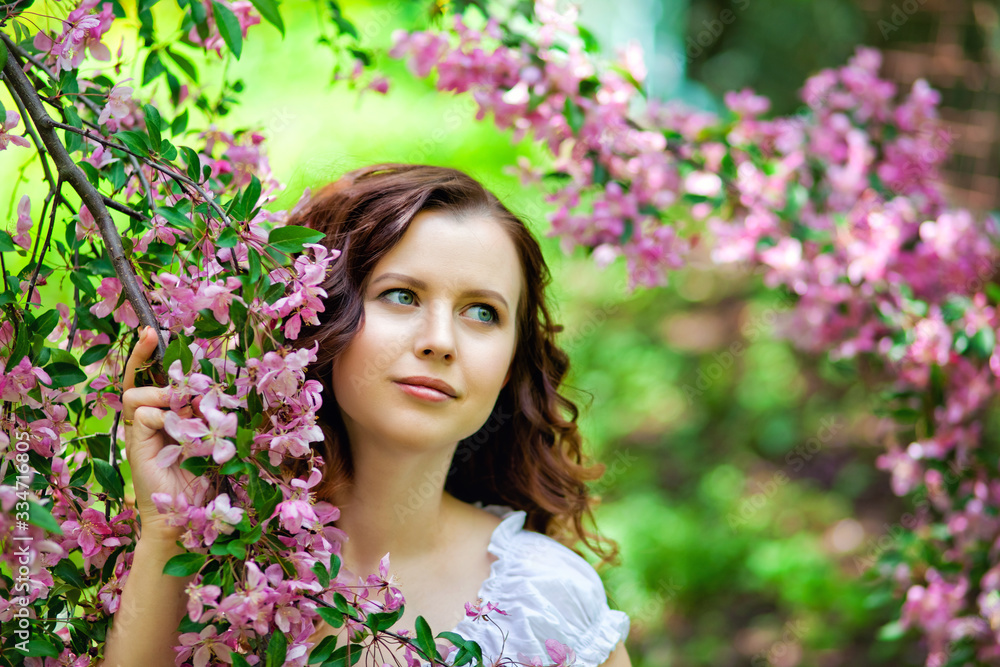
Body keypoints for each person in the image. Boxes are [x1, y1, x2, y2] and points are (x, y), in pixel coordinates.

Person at [100, 163, 631, 667]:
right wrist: (169, 531)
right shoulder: (214, 578)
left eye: (481, 312)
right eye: (402, 295)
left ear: (513, 361)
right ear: (319, 316)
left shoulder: (550, 601)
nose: (441, 341)